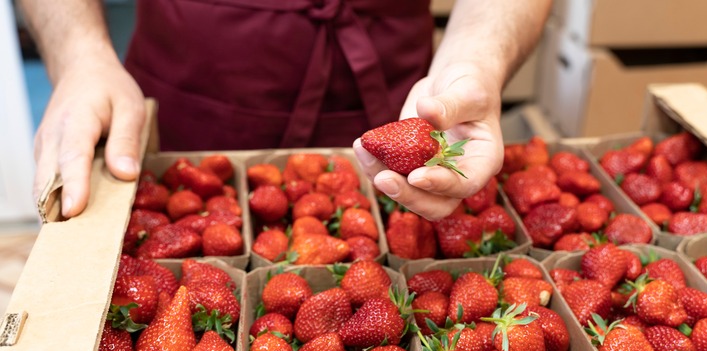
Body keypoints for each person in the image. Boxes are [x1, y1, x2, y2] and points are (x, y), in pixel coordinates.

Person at [19, 0, 551, 220]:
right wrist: (80, 57)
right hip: (190, 84)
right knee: (183, 211)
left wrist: (474, 60)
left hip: (406, 92)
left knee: (404, 213)